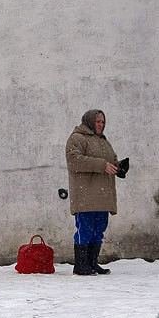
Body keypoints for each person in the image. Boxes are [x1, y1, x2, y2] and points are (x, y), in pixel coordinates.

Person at [65, 109, 119, 275]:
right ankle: (81, 265)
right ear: (89, 121)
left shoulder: (103, 140)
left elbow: (111, 161)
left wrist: (119, 167)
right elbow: (74, 160)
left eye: (103, 122)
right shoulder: (77, 138)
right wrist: (101, 165)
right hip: (86, 195)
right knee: (85, 230)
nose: (101, 125)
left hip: (102, 196)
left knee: (98, 231)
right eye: (98, 122)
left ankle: (92, 263)